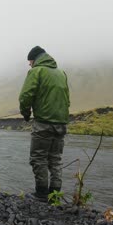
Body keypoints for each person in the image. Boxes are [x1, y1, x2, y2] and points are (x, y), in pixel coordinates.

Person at [19, 46, 70, 202]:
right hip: (61, 124)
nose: (29, 65)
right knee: (55, 159)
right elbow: (67, 99)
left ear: (35, 59)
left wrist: (26, 113)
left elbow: (26, 96)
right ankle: (55, 196)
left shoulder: (37, 71)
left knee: (38, 158)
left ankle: (41, 194)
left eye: (30, 61)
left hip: (43, 124)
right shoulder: (61, 73)